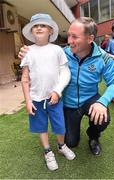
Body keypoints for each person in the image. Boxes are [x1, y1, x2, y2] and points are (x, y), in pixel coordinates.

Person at [19, 17, 114, 156]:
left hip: (90, 98)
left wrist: (102, 102)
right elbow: (40, 55)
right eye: (69, 35)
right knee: (71, 142)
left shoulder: (103, 58)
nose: (69, 41)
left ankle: (93, 136)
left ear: (90, 38)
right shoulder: (61, 53)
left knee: (103, 118)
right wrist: (26, 52)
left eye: (75, 37)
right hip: (68, 104)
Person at [20, 13, 75, 171]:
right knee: (41, 127)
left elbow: (65, 73)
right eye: (35, 25)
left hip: (54, 98)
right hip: (36, 99)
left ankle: (61, 146)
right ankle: (47, 151)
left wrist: (57, 91)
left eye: (43, 25)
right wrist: (28, 101)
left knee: (60, 125)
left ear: (51, 30)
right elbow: (25, 79)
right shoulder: (27, 51)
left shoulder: (57, 50)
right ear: (31, 31)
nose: (38, 27)